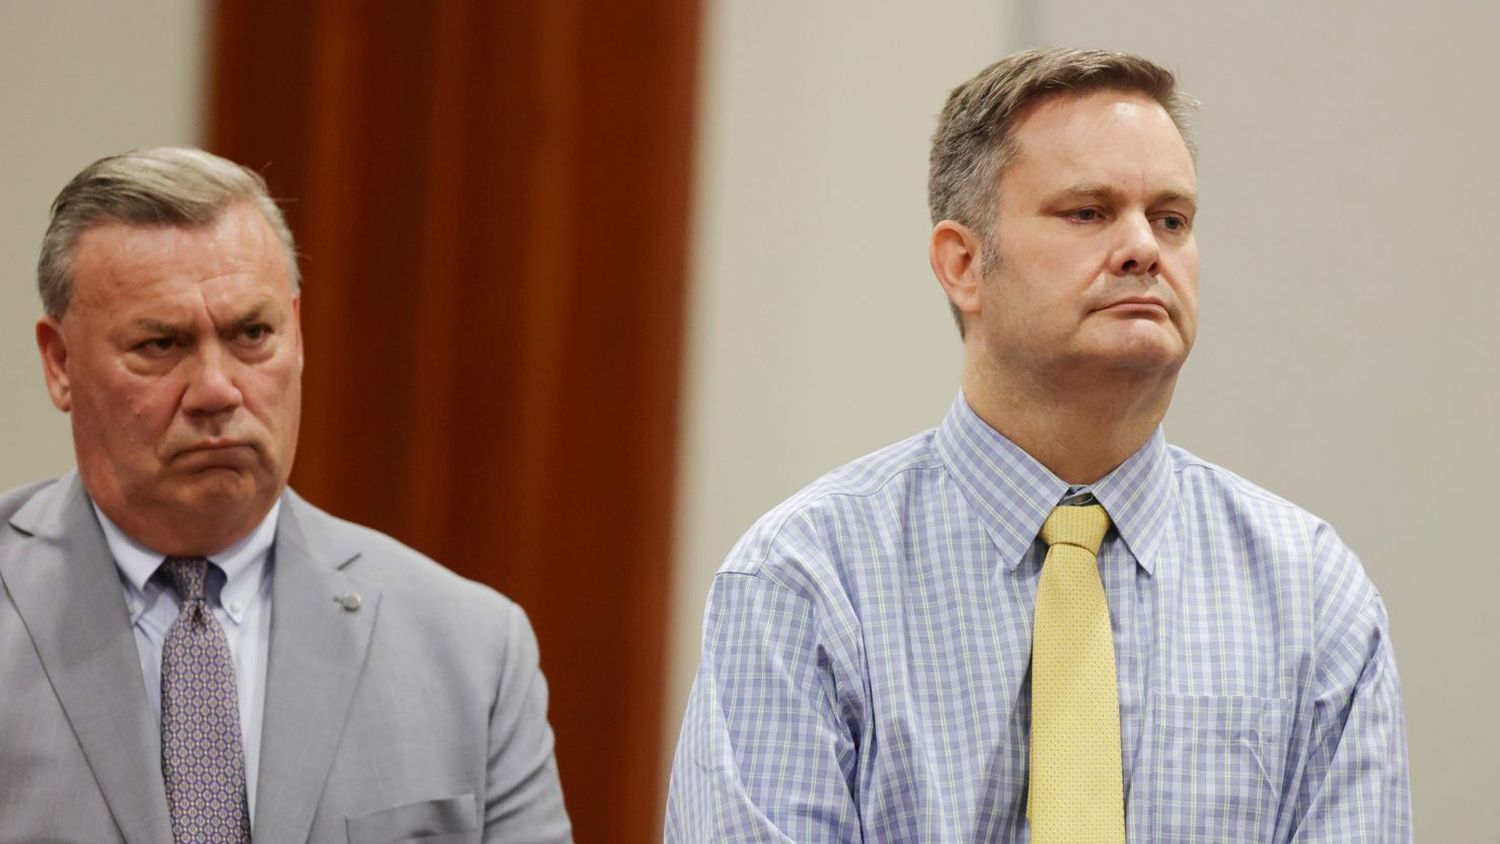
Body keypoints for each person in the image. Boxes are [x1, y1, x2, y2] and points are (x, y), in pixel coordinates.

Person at [666, 48, 1410, 842]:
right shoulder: (805, 581)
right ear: (963, 264)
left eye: (1172, 219)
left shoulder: (1311, 593)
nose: (1143, 249)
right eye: (1088, 212)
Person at [0, 148, 572, 843]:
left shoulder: (473, 652)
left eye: (252, 335)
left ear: (297, 334)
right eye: (160, 343)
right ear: (59, 363)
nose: (217, 390)